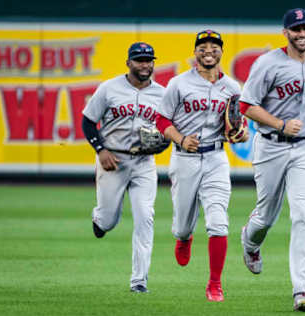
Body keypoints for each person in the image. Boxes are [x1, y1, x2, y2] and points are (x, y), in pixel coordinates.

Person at [238, 8, 305, 312]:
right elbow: (246, 105)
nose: (303, 34)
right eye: (297, 29)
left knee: (304, 214)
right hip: (271, 146)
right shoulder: (268, 63)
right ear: (285, 33)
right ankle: (250, 243)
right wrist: (279, 123)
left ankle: (302, 289)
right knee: (265, 217)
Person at [156, 29, 248, 302]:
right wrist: (181, 139)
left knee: (218, 222)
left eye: (214, 46)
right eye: (203, 46)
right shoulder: (178, 84)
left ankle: (215, 284)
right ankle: (184, 238)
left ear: (221, 51)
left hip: (217, 158)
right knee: (183, 226)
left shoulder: (232, 87)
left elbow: (235, 126)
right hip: (185, 158)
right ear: (195, 52)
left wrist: (240, 134)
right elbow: (161, 121)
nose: (209, 51)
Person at [81, 42, 165, 294]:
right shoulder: (109, 89)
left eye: (148, 60)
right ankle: (100, 220)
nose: (145, 64)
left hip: (144, 163)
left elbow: (169, 130)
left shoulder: (162, 94)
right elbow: (88, 121)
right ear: (128, 62)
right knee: (108, 220)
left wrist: (161, 146)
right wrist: (100, 150)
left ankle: (139, 281)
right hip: (113, 160)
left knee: (145, 216)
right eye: (139, 60)